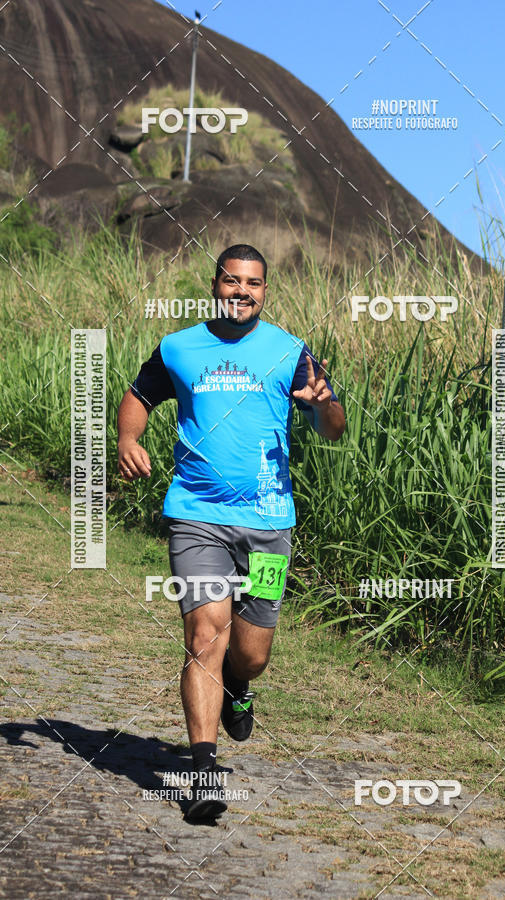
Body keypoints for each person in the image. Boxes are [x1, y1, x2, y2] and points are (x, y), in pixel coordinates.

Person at [117, 244, 346, 820]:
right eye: (232, 281)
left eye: (254, 283)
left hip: (269, 524)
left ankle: (239, 689)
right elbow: (139, 395)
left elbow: (334, 428)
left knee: (251, 654)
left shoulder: (290, 352)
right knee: (204, 635)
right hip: (196, 515)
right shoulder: (179, 347)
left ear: (265, 291)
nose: (242, 291)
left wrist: (323, 407)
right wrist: (128, 438)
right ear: (215, 284)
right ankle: (203, 771)